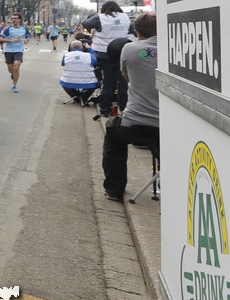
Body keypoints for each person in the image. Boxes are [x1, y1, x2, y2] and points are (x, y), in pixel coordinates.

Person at [102, 13, 159, 201]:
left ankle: (114, 190)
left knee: (113, 133)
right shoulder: (174, 49)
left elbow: (126, 77)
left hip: (134, 122)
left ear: (137, 32)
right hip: (165, 125)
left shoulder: (129, 48)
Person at [0, 12, 30, 93]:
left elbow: (27, 37)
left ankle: (14, 85)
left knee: (16, 66)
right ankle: (13, 74)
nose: (13, 20)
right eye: (12, 18)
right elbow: (1, 39)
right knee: (10, 69)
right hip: (8, 50)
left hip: (19, 50)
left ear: (19, 19)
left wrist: (26, 40)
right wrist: (10, 40)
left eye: (15, 18)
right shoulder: (8, 29)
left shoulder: (24, 29)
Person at [59, 42, 98, 107]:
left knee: (64, 83)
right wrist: (89, 49)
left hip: (69, 82)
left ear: (70, 48)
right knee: (96, 84)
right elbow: (95, 61)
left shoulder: (66, 55)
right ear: (82, 47)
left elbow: (63, 64)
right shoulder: (89, 55)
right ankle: (84, 98)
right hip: (88, 82)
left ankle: (76, 97)